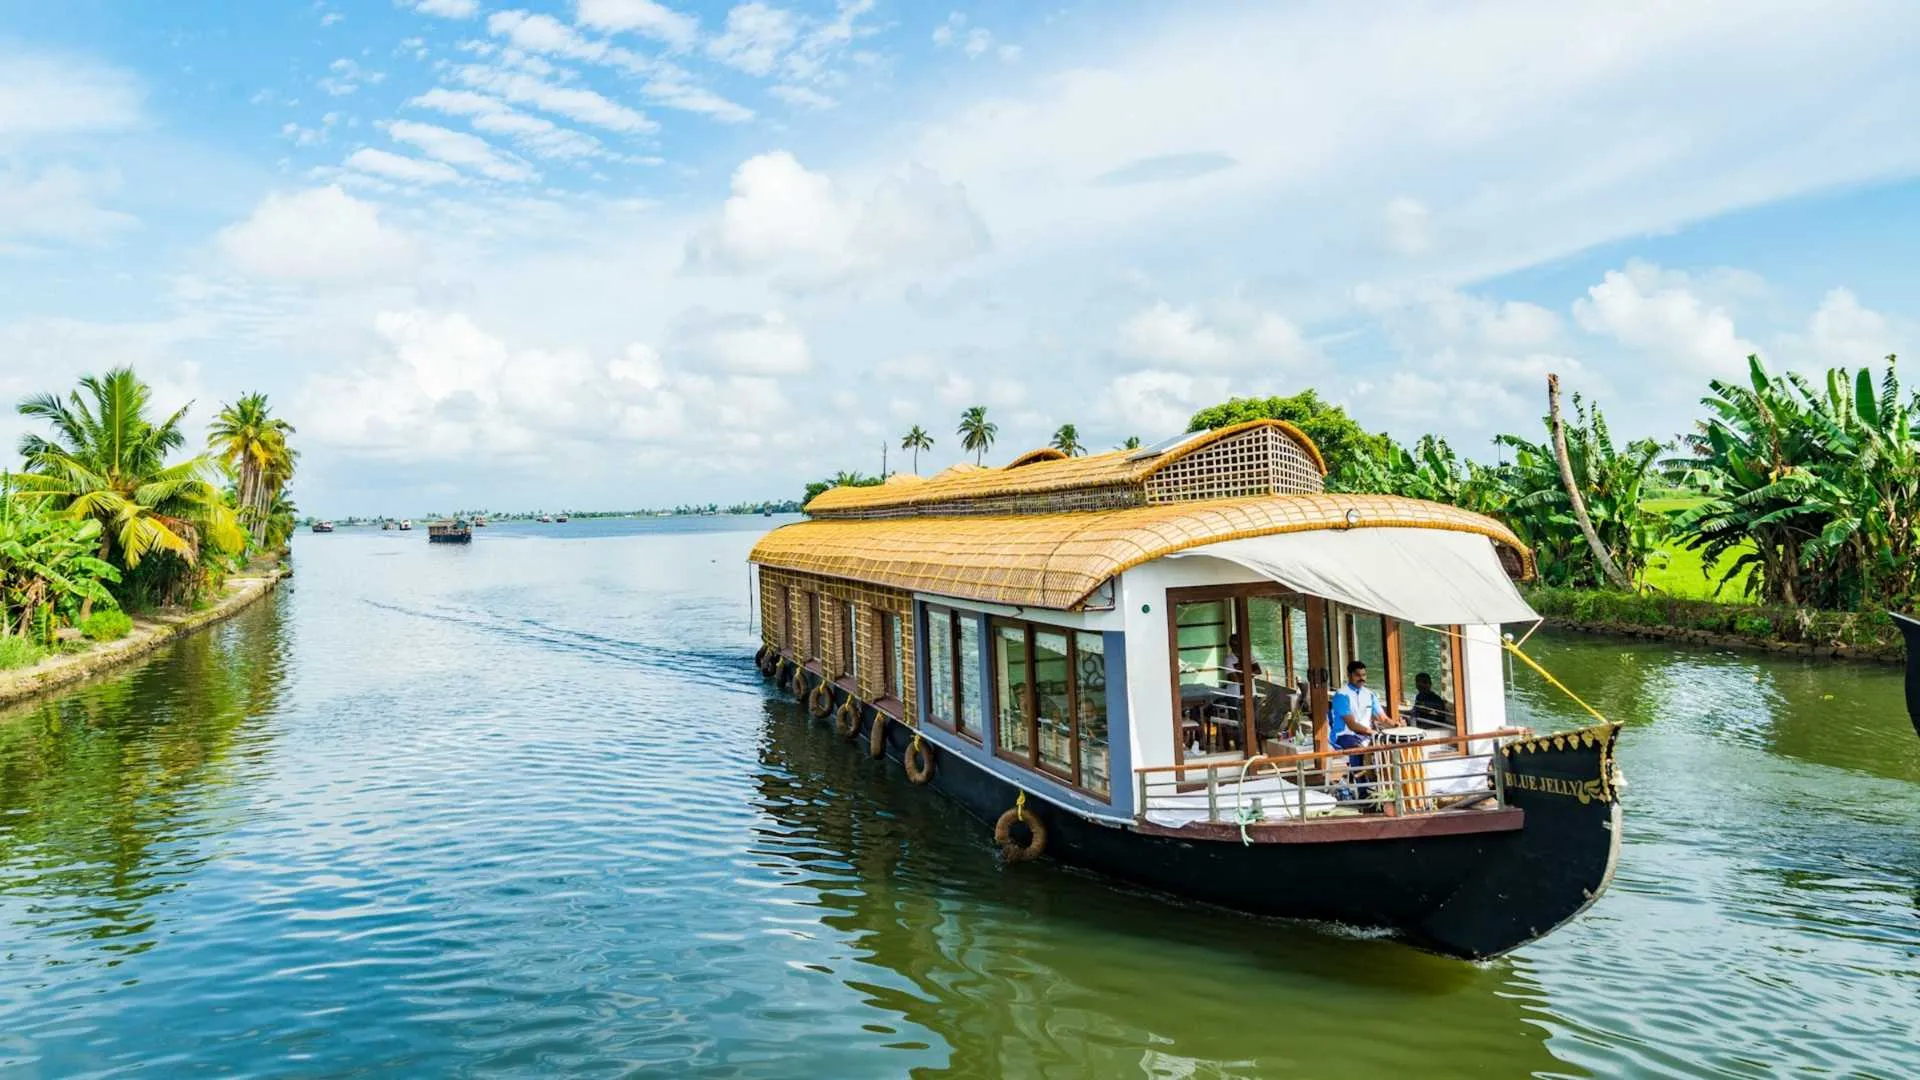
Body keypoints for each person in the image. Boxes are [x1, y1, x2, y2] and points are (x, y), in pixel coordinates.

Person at [1329, 660, 1387, 801]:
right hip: (1344, 735)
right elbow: (1352, 725)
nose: (1362, 678)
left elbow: (1382, 717)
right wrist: (1372, 733)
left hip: (1366, 735)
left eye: (1364, 675)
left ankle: (1384, 787)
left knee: (1387, 747)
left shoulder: (1370, 694)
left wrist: (1396, 724)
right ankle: (1363, 792)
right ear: (1349, 675)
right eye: (1357, 675)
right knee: (1358, 749)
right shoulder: (1341, 695)